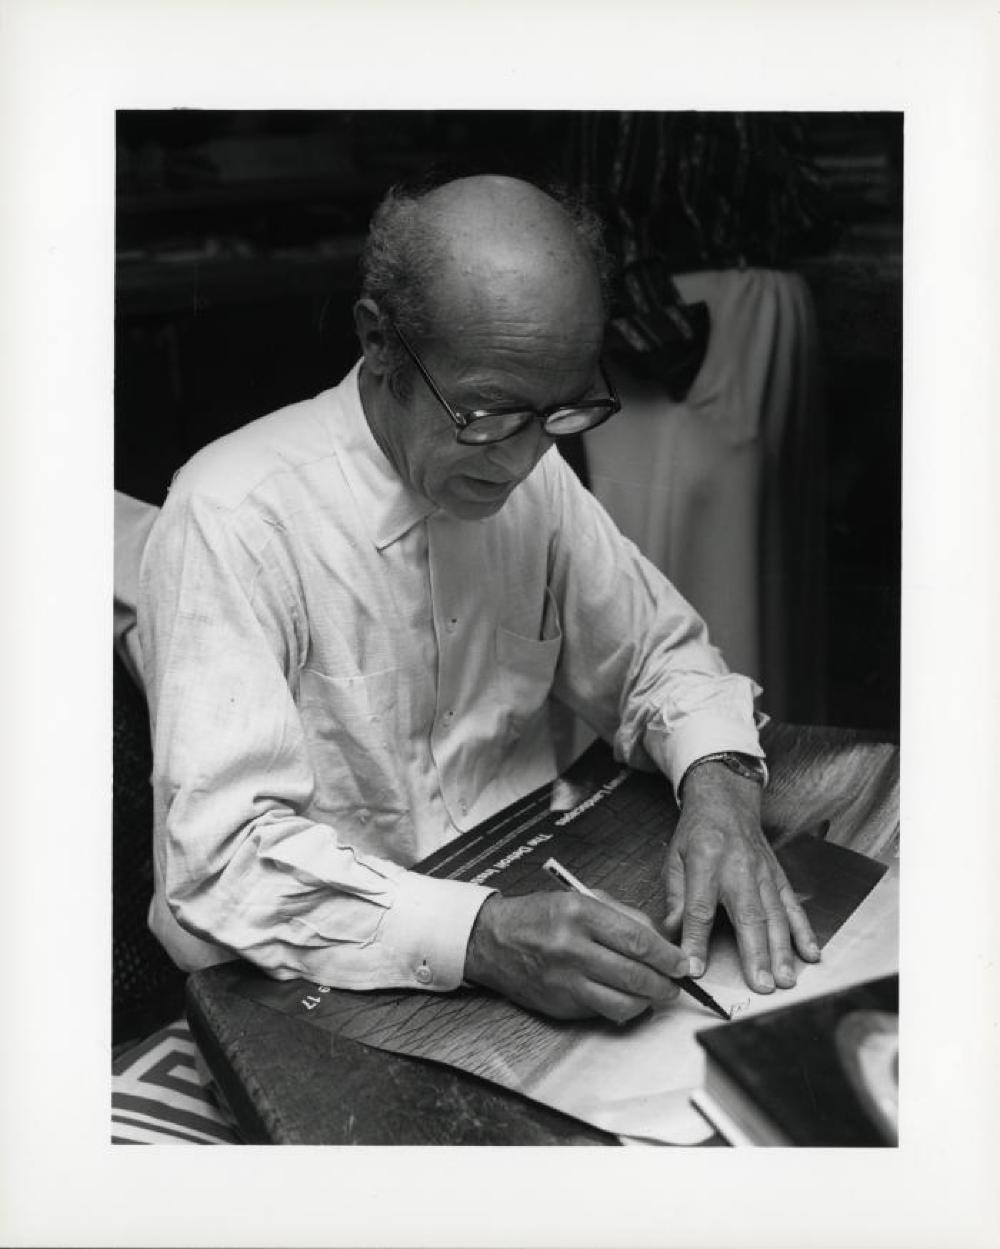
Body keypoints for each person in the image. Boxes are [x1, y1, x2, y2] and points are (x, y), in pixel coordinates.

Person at [138, 174, 819, 1027]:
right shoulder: (234, 517)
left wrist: (721, 790)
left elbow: (659, 653)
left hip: (533, 889)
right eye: (489, 414)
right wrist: (484, 935)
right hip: (318, 977)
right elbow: (221, 863)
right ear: (378, 341)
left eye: (561, 412)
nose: (523, 458)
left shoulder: (531, 480)